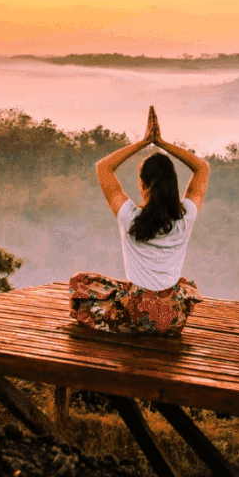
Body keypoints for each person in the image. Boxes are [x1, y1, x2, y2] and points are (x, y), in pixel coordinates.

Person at [69, 107, 210, 337]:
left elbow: (103, 167)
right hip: (171, 319)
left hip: (133, 315)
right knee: (182, 285)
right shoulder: (186, 217)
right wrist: (162, 143)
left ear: (142, 185)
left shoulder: (129, 216)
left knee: (80, 283)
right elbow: (202, 168)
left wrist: (144, 142)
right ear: (173, 186)